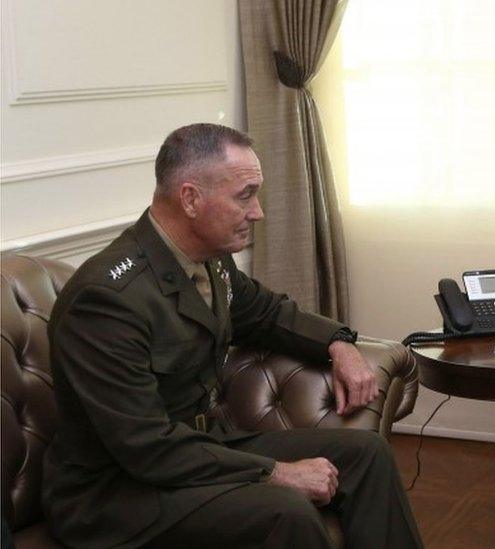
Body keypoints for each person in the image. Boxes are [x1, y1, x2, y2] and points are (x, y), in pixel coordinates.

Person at [42, 123, 423, 548]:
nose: (258, 211)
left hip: (201, 448)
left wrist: (340, 342)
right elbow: (146, 447)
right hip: (117, 492)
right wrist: (276, 472)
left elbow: (266, 313)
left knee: (366, 455)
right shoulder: (107, 301)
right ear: (190, 198)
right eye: (245, 195)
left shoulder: (210, 262)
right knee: (286, 511)